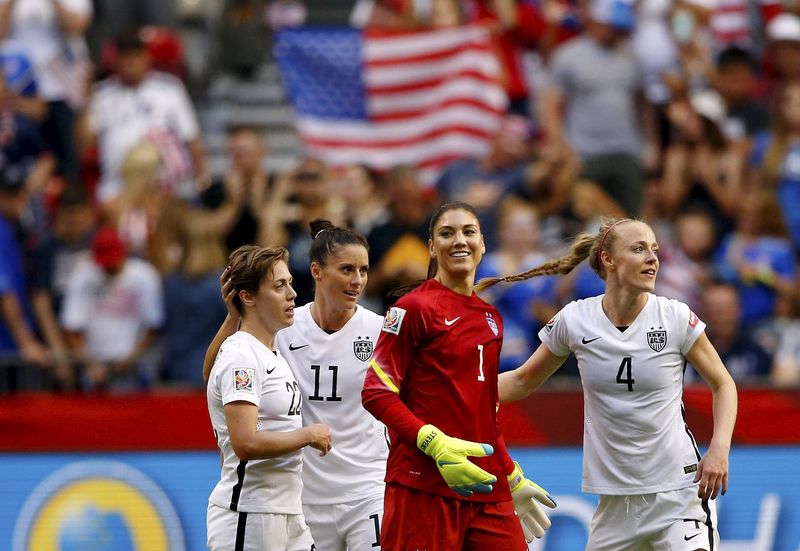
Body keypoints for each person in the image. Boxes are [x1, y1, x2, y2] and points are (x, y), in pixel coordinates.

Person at [494, 217, 738, 550]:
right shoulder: (575, 319)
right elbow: (522, 380)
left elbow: (723, 384)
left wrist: (719, 449)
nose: (652, 258)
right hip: (615, 505)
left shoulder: (675, 317)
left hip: (679, 493)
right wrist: (459, 393)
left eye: (654, 250)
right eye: (639, 249)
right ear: (608, 259)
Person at [361, 201, 556, 550]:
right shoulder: (413, 308)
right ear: (432, 247)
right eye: (447, 234)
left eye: (469, 232)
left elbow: (483, 412)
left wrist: (509, 474)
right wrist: (433, 443)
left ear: (482, 244)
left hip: (485, 484)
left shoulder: (490, 318)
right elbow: (376, 392)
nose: (459, 241)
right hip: (422, 488)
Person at [204, 220, 389, 550]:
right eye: (347, 269)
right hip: (302, 496)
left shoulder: (381, 331)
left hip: (367, 489)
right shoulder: (282, 326)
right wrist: (233, 315)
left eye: (364, 270)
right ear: (316, 271)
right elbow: (217, 372)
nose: (358, 280)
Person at [205, 244, 331, 551]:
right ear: (248, 297)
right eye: (279, 286)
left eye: (289, 283)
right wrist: (308, 434)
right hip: (250, 514)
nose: (292, 293)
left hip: (287, 510)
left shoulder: (268, 351)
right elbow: (246, 442)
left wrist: (232, 316)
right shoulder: (241, 355)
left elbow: (209, 375)